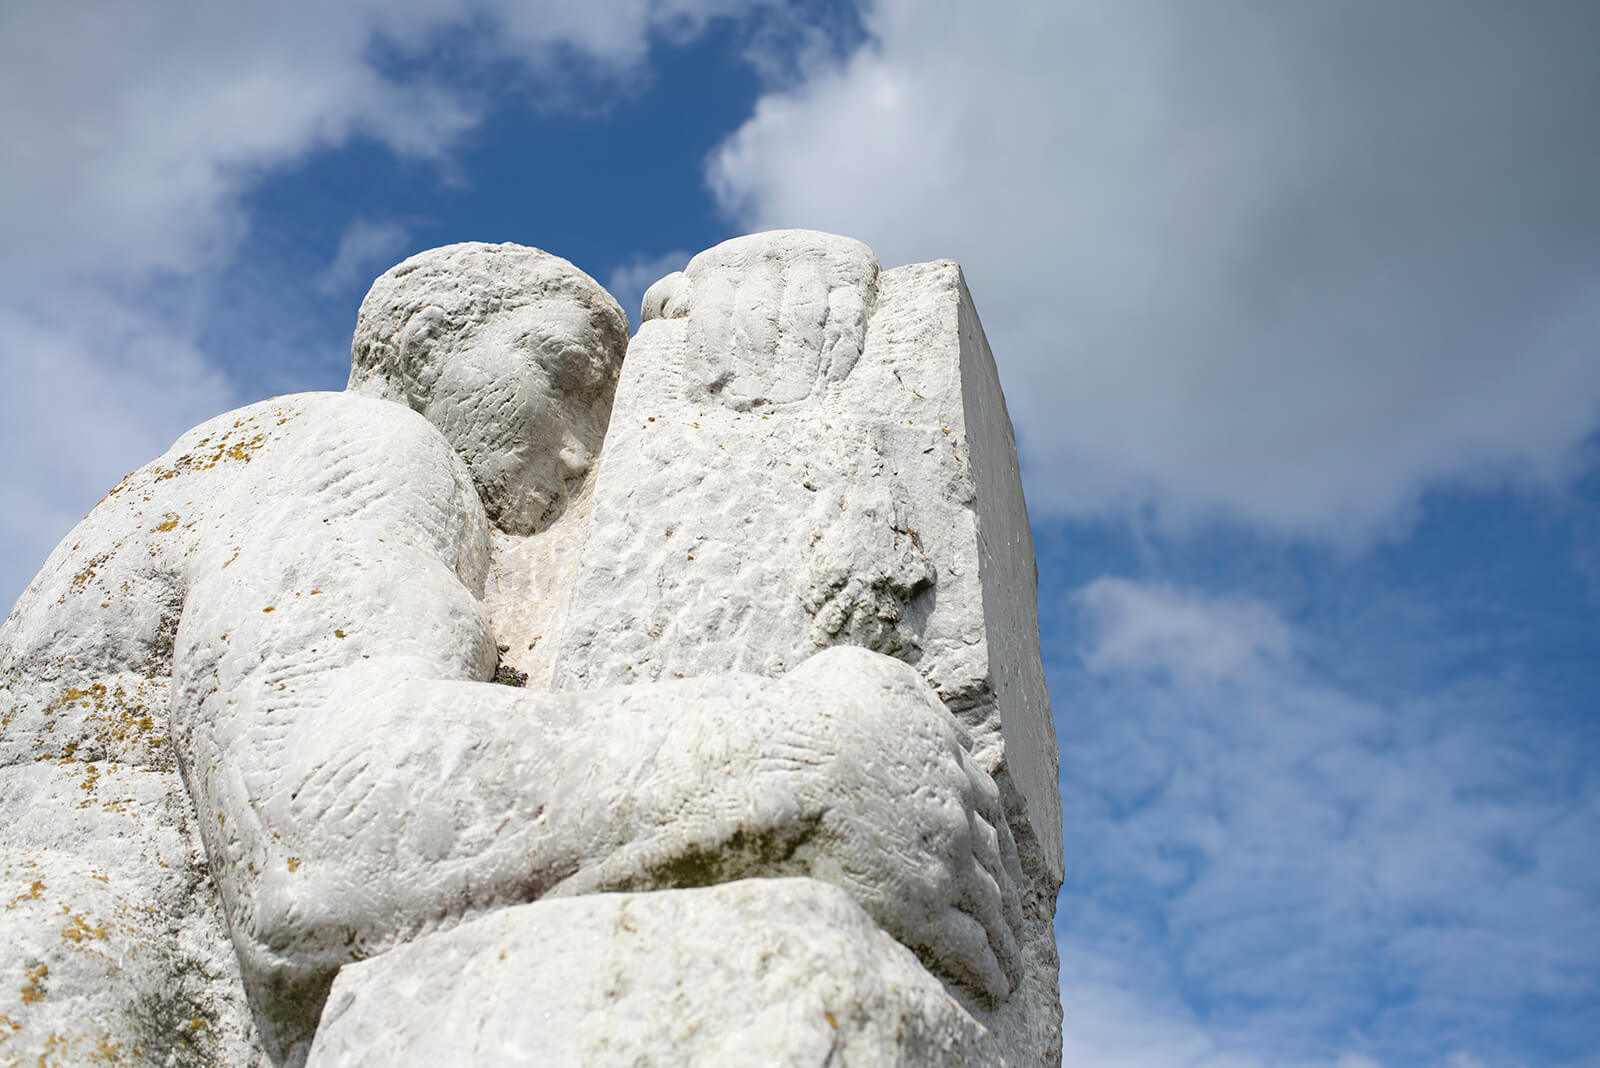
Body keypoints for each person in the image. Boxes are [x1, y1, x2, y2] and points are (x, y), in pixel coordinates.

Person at [0, 242, 1020, 1065]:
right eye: (566, 379)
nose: (582, 452)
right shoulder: (361, 441)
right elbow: (316, 824)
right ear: (424, 343)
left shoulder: (205, 473)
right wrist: (793, 759)